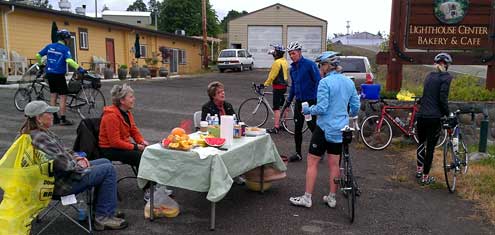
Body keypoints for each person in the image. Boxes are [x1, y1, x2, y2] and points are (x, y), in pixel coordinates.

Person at [20, 101, 127, 230]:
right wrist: (79, 164)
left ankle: (104, 210)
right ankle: (103, 217)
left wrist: (78, 158)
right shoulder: (39, 137)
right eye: (49, 113)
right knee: (108, 169)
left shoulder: (35, 133)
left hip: (51, 179)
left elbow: (64, 151)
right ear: (39, 118)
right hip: (58, 184)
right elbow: (64, 164)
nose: (54, 115)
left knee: (104, 162)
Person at [289, 51, 360, 208]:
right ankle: (332, 197)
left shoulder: (325, 83)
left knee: (312, 161)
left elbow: (321, 108)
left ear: (328, 66)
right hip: (340, 128)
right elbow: (356, 106)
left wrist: (308, 111)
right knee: (334, 164)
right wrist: (347, 114)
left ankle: (307, 197)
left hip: (324, 128)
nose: (320, 68)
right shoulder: (349, 82)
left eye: (321, 65)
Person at [415, 53, 453, 185]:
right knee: (430, 147)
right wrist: (448, 113)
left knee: (421, 143)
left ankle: (419, 170)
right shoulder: (446, 78)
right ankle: (425, 178)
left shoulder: (429, 76)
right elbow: (443, 98)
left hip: (421, 115)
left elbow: (426, 95)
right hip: (434, 117)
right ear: (447, 65)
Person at [36, 29, 86, 126]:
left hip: (49, 74)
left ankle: (54, 118)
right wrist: (80, 68)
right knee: (63, 96)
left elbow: (38, 55)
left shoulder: (49, 46)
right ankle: (63, 119)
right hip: (59, 75)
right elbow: (69, 61)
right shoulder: (64, 49)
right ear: (65, 39)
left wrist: (41, 64)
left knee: (53, 95)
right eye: (68, 39)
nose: (68, 41)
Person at [284, 41, 321, 162]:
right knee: (297, 128)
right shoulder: (292, 69)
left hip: (310, 102)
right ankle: (298, 153)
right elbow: (294, 86)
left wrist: (318, 98)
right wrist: (288, 102)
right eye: (290, 54)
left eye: (293, 53)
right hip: (299, 102)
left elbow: (318, 82)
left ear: (299, 52)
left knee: (312, 126)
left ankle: (320, 150)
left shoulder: (309, 65)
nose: (291, 56)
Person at [99, 83, 149, 171]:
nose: (134, 99)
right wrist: (135, 147)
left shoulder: (127, 112)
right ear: (122, 100)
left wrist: (141, 141)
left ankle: (147, 182)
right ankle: (145, 183)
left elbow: (133, 130)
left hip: (122, 145)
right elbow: (114, 142)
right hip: (109, 149)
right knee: (140, 156)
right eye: (131, 97)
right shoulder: (111, 116)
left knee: (147, 153)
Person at [262, 44, 289, 134]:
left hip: (278, 87)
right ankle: (284, 124)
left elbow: (272, 76)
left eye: (275, 52)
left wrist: (265, 84)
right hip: (284, 86)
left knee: (276, 107)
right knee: (284, 106)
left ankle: (276, 127)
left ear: (277, 54)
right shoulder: (284, 61)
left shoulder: (276, 63)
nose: (273, 54)